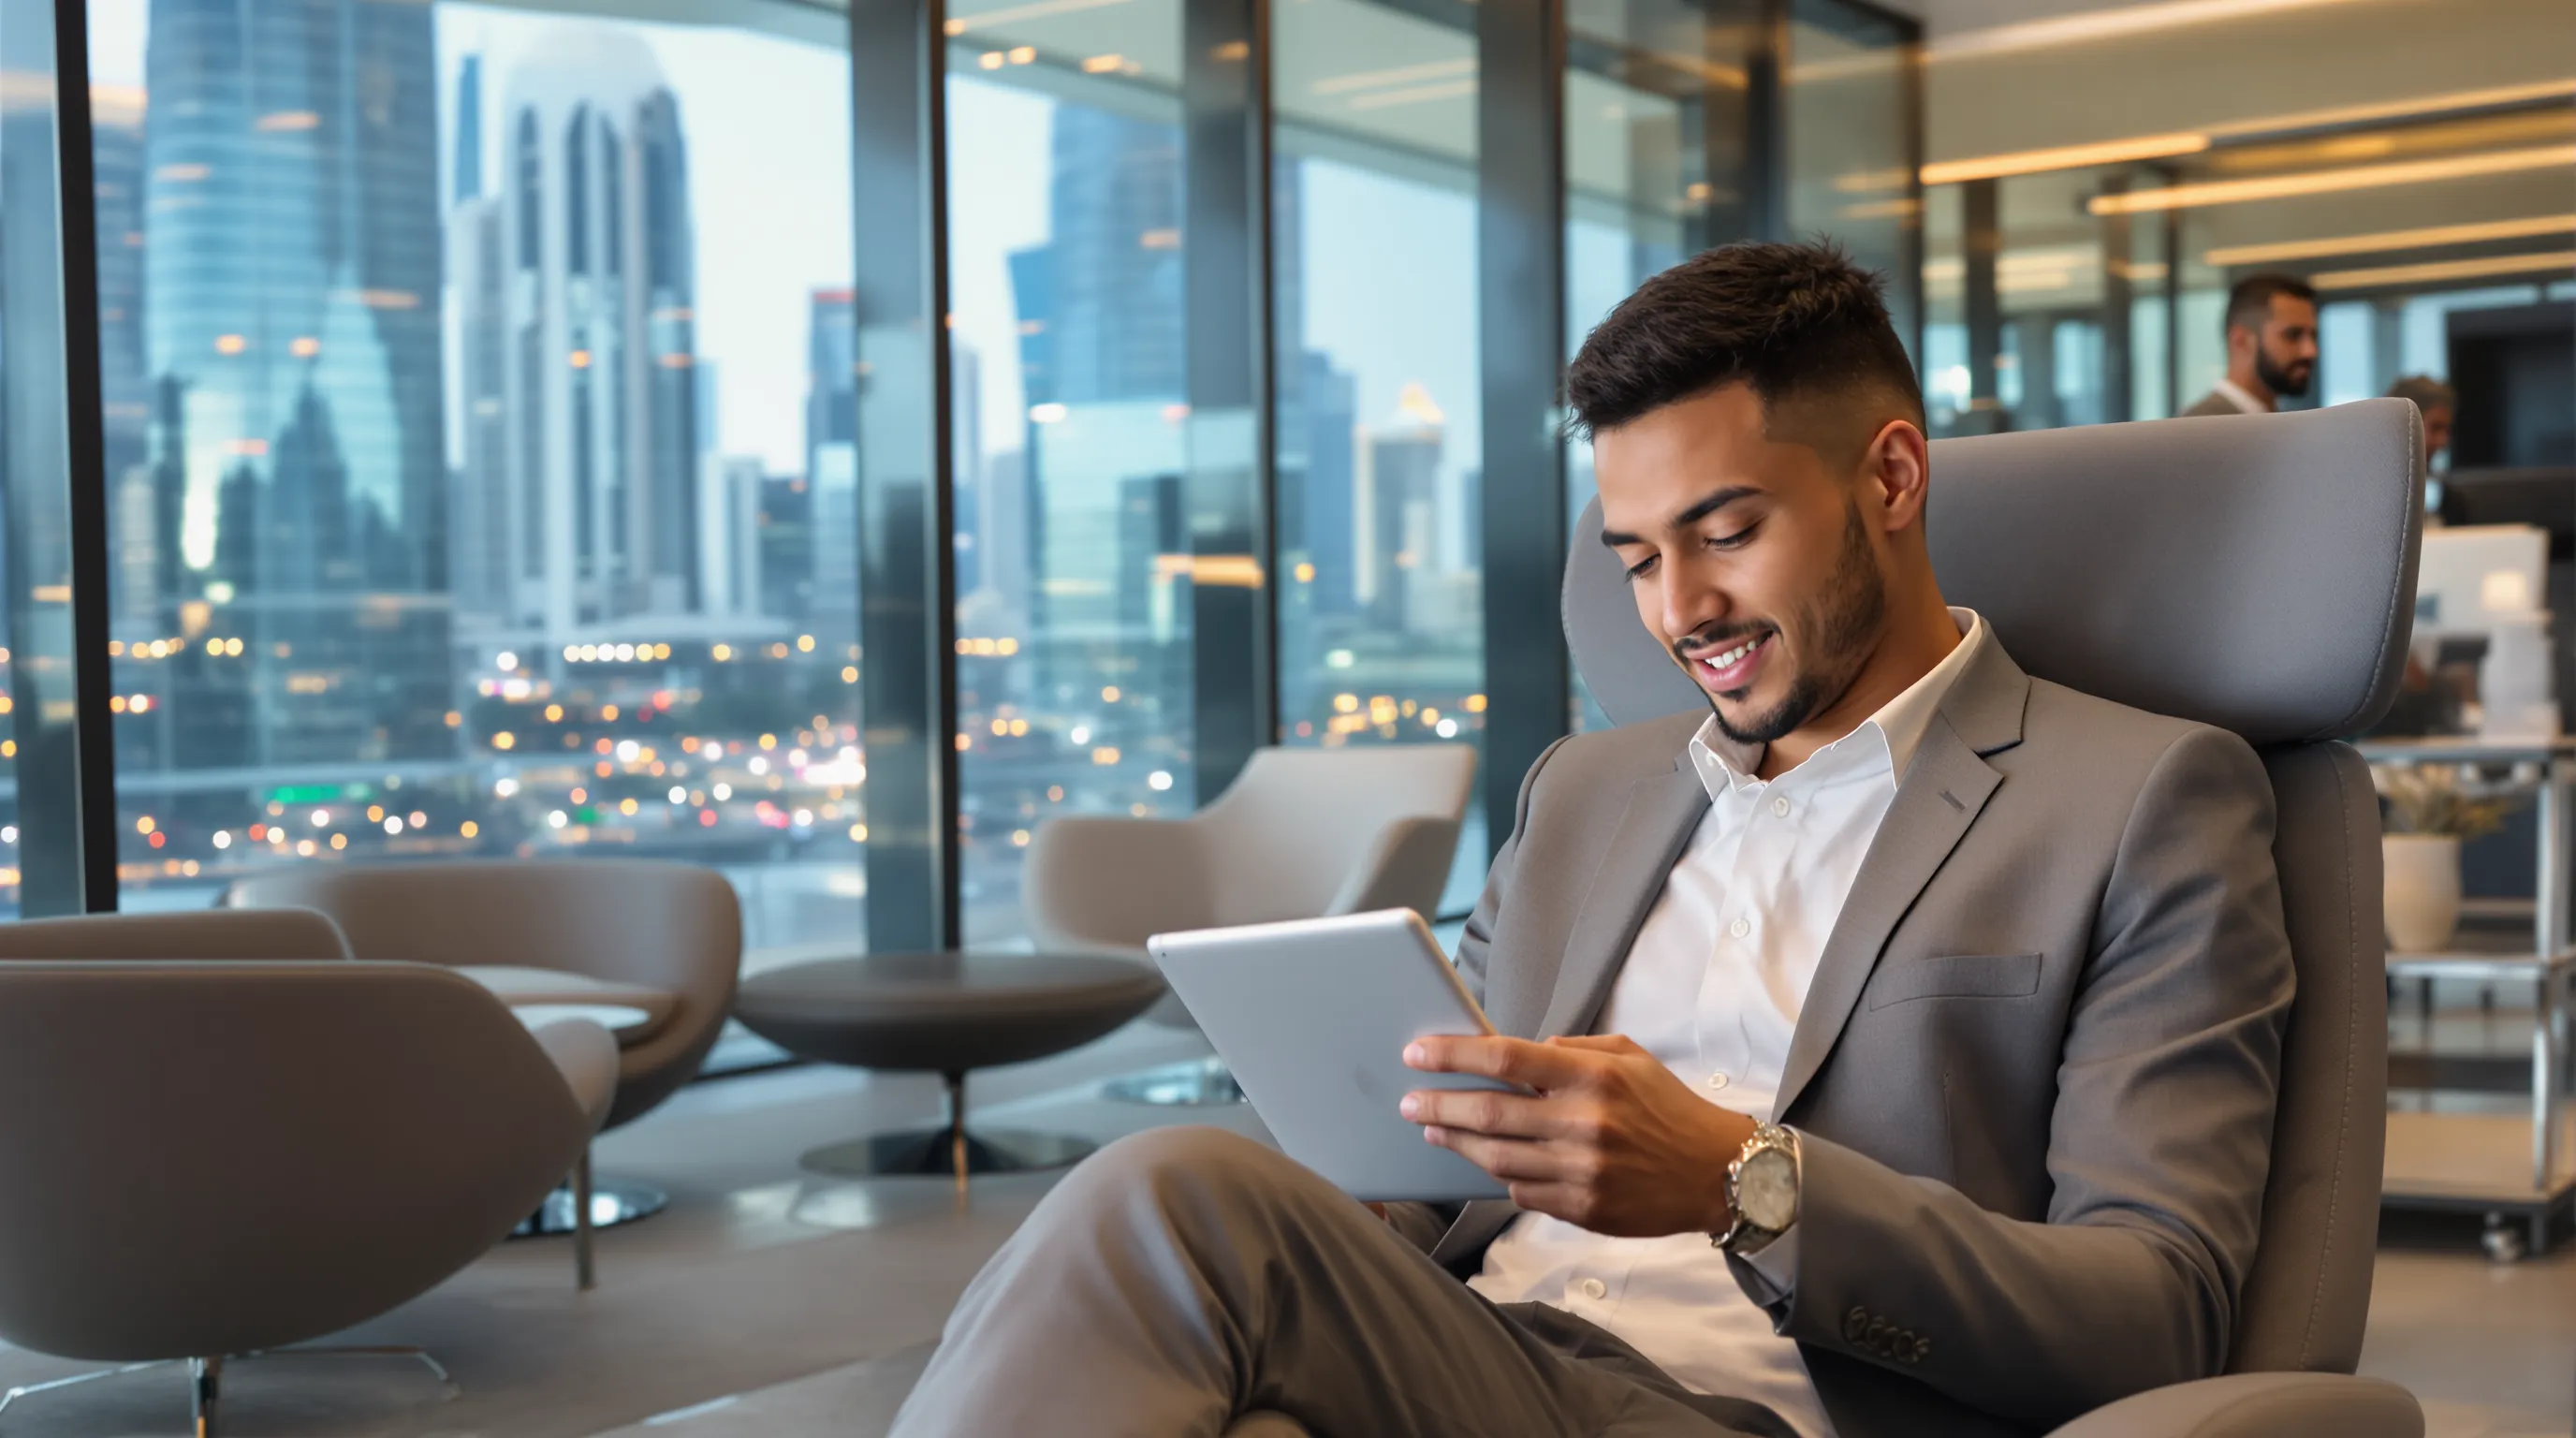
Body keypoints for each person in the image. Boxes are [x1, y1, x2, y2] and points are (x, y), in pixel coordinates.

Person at [890, 242, 2295, 1438]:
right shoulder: (1583, 792)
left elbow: (2155, 1312)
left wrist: (1741, 1185)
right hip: (1479, 1356)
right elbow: (1433, 1171)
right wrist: (1357, 1191)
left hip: (1758, 1409)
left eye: (1724, 533)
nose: (1680, 611)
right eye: (1635, 559)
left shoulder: (2139, 800)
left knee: (1166, 1195)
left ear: (1890, 477)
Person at [2180, 272, 2318, 417]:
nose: (2311, 351)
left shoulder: (2278, 420)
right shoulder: (2199, 425)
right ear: (2240, 340)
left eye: (2314, 336)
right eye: (2292, 335)